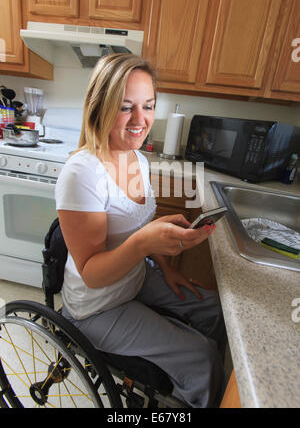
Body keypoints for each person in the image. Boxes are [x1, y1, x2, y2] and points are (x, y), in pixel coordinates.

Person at [55, 53, 227, 408]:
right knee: (203, 357)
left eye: (148, 106)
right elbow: (90, 273)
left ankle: (176, 385)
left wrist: (165, 267)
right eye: (126, 107)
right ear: (101, 106)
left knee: (216, 311)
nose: (141, 120)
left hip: (135, 277)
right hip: (96, 307)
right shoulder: (81, 173)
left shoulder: (138, 159)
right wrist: (143, 243)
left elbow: (141, 224)